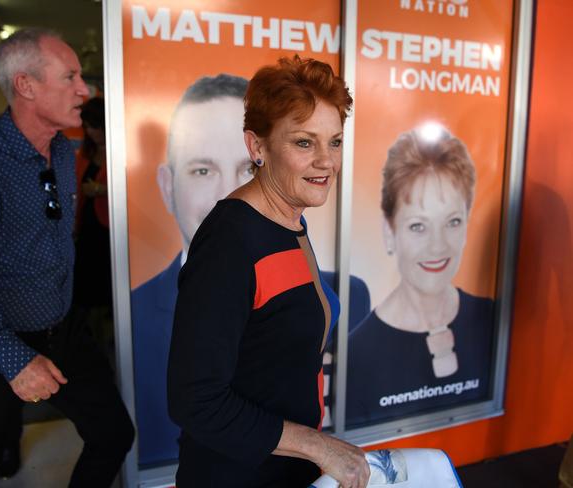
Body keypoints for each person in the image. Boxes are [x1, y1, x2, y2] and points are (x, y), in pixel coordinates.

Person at [0, 28, 134, 487]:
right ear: (26, 85)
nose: (85, 89)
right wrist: (15, 361)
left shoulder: (62, 150)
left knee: (114, 434)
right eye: (71, 77)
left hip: (63, 330)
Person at [130, 74, 370, 466]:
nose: (326, 160)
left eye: (335, 142)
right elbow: (196, 402)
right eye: (304, 142)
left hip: (286, 467)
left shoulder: (289, 220)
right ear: (257, 146)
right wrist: (316, 446)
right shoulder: (231, 242)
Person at [345, 124, 494, 427]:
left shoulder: (491, 318)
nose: (438, 245)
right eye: (418, 226)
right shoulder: (358, 354)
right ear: (389, 232)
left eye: (452, 221)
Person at [72, 97, 113, 326]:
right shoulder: (84, 154)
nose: (91, 131)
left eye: (95, 126)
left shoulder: (119, 152)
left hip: (108, 227)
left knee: (105, 283)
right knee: (86, 285)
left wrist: (103, 190)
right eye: (87, 127)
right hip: (87, 224)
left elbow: (130, 188)